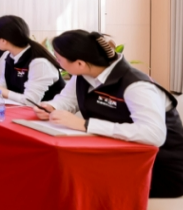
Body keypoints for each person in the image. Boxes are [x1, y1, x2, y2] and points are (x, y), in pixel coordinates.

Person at [37, 31, 183, 197]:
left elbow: (153, 134)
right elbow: (67, 100)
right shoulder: (83, 74)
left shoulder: (137, 86)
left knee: (73, 184)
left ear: (79, 63)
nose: (57, 63)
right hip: (118, 156)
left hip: (158, 169)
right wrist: (51, 107)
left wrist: (85, 125)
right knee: (57, 173)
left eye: (59, 59)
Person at [0, 15, 65, 104]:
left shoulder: (39, 63)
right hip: (19, 111)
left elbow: (30, 101)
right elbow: (2, 88)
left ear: (3, 41)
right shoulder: (8, 56)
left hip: (49, 117)